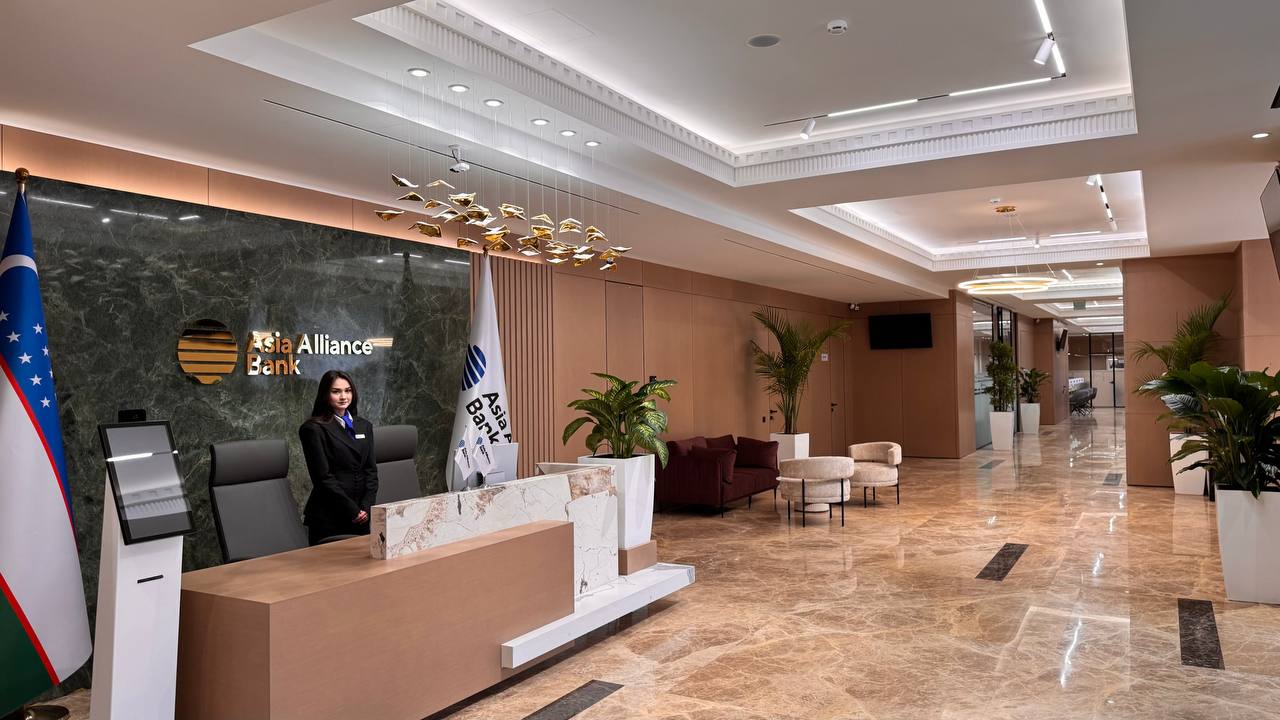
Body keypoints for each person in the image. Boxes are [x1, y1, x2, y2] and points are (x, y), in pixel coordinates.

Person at [299, 369, 378, 545]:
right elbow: (323, 478)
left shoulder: (364, 426)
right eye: (336, 391)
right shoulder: (313, 429)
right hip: (331, 516)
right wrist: (352, 510)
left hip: (363, 516)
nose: (343, 396)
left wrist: (367, 507)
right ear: (325, 395)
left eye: (347, 390)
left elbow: (371, 471)